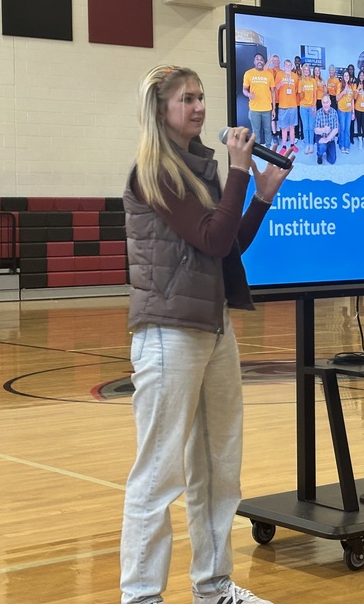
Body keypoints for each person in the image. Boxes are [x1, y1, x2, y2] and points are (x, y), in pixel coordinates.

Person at [120, 64, 291, 604]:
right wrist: (239, 171)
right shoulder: (155, 172)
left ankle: (214, 589)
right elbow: (214, 241)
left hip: (213, 328)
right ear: (160, 110)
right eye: (186, 99)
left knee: (219, 467)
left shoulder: (200, 169)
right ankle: (142, 596)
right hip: (169, 334)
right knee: (160, 474)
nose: (199, 107)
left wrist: (259, 194)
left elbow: (224, 246)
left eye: (200, 97)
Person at [242, 53, 273, 144]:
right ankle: (258, 151)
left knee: (268, 131)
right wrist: (248, 94)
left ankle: (269, 149)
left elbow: (273, 91)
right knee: (256, 132)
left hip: (267, 109)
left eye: (261, 59)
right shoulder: (248, 73)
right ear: (254, 61)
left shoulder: (269, 74)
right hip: (254, 109)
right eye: (257, 59)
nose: (259, 61)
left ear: (264, 62)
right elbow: (244, 90)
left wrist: (273, 108)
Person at [273, 59, 299, 154]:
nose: (288, 66)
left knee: (292, 127)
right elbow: (275, 88)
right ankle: (284, 145)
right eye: (286, 65)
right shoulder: (279, 74)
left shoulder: (295, 76)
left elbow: (296, 89)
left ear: (291, 66)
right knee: (283, 127)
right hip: (283, 105)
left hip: (293, 105)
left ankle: (292, 144)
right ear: (284, 66)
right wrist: (280, 84)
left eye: (289, 65)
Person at [297, 63, 320, 155]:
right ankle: (307, 144)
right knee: (305, 127)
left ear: (309, 71)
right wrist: (302, 90)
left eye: (307, 70)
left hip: (312, 107)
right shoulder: (300, 82)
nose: (306, 71)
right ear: (303, 71)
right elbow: (301, 97)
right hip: (303, 107)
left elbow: (315, 95)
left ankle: (311, 144)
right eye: (305, 70)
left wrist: (314, 106)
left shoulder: (313, 81)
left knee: (311, 127)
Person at [314, 93, 339, 165]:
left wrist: (327, 139)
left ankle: (328, 148)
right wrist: (323, 130)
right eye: (324, 103)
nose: (325, 105)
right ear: (321, 103)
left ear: (330, 102)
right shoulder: (318, 113)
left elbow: (336, 129)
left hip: (330, 138)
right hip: (321, 137)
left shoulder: (334, 112)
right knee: (322, 146)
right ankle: (319, 155)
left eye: (327, 102)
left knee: (332, 160)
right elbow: (316, 130)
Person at [336, 68, 355, 154]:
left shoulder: (351, 86)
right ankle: (341, 145)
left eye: (348, 75)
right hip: (341, 110)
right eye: (345, 76)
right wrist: (343, 92)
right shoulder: (340, 85)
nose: (346, 77)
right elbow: (337, 98)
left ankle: (347, 146)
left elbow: (352, 100)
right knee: (342, 128)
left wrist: (353, 112)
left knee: (347, 129)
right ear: (343, 77)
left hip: (348, 111)